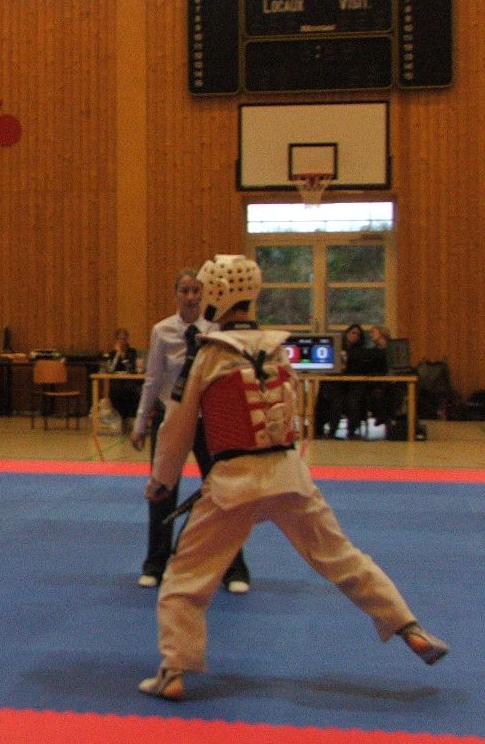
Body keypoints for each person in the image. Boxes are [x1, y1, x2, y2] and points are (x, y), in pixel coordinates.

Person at [138, 255, 448, 701]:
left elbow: (176, 428)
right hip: (288, 475)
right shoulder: (278, 349)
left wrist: (162, 481)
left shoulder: (207, 355)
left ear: (215, 296)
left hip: (234, 482)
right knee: (342, 557)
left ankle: (174, 671)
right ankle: (408, 625)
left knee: (184, 579)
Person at [130, 270, 250, 593]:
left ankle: (233, 568)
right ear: (176, 294)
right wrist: (140, 424)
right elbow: (153, 379)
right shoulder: (162, 331)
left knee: (224, 492)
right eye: (184, 291)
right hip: (171, 418)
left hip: (209, 420)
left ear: (204, 294)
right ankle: (155, 564)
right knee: (161, 491)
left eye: (196, 291)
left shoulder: (216, 330)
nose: (191, 297)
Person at [103, 328, 141, 424]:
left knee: (131, 389)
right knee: (115, 390)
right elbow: (111, 370)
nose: (122, 341)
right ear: (116, 340)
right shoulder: (112, 353)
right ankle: (120, 417)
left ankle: (129, 416)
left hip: (129, 380)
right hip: (117, 380)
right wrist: (117, 354)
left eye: (124, 339)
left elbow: (131, 369)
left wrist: (123, 357)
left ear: (127, 339)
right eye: (119, 339)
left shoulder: (132, 352)